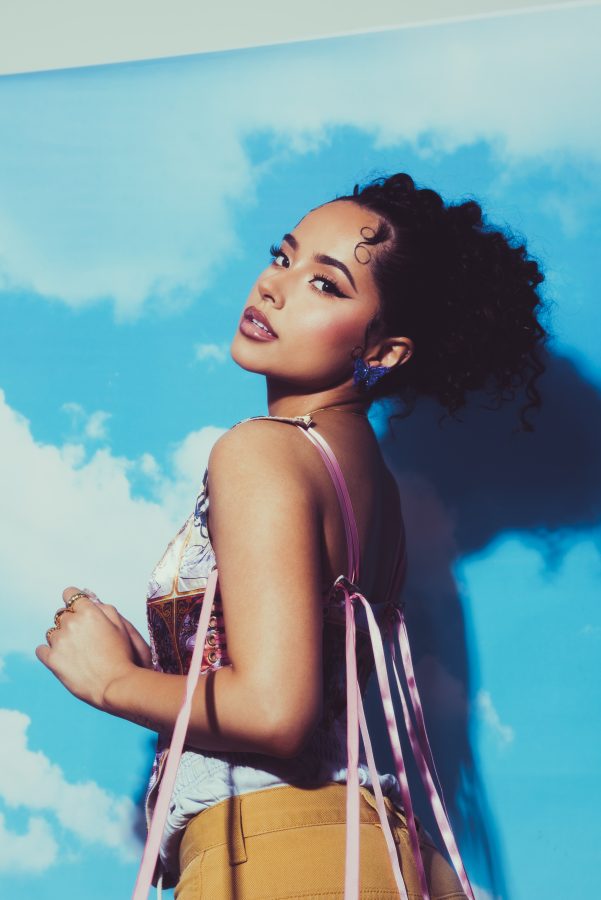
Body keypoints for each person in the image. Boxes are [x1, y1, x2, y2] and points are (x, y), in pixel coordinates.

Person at [36, 172, 550, 899]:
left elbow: (277, 713)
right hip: (370, 848)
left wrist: (112, 680)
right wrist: (162, 666)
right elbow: (304, 683)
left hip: (276, 855)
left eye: (326, 285)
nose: (274, 287)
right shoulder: (371, 484)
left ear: (386, 352)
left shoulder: (262, 451)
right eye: (283, 257)